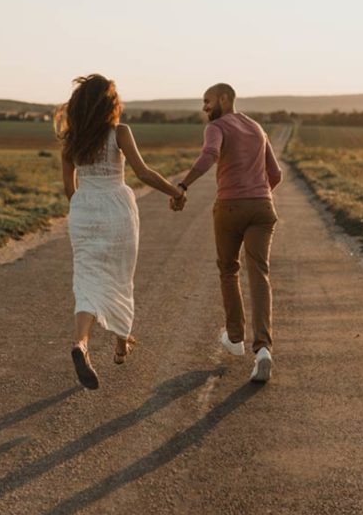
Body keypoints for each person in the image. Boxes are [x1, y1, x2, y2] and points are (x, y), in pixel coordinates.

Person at [56, 74, 186, 390]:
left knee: (86, 281)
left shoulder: (71, 142)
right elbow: (143, 172)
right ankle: (120, 342)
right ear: (110, 104)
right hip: (117, 210)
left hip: (84, 210)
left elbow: (68, 190)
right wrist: (175, 192)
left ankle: (82, 344)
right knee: (119, 275)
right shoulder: (119, 133)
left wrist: (86, 207)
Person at [171, 83, 282, 382]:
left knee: (229, 269)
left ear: (224, 98)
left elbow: (209, 155)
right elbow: (276, 175)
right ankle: (263, 351)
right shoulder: (257, 128)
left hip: (230, 207)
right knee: (259, 274)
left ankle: (235, 338)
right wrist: (256, 194)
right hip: (262, 206)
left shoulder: (217, 127)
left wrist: (183, 185)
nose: (204, 108)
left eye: (207, 101)